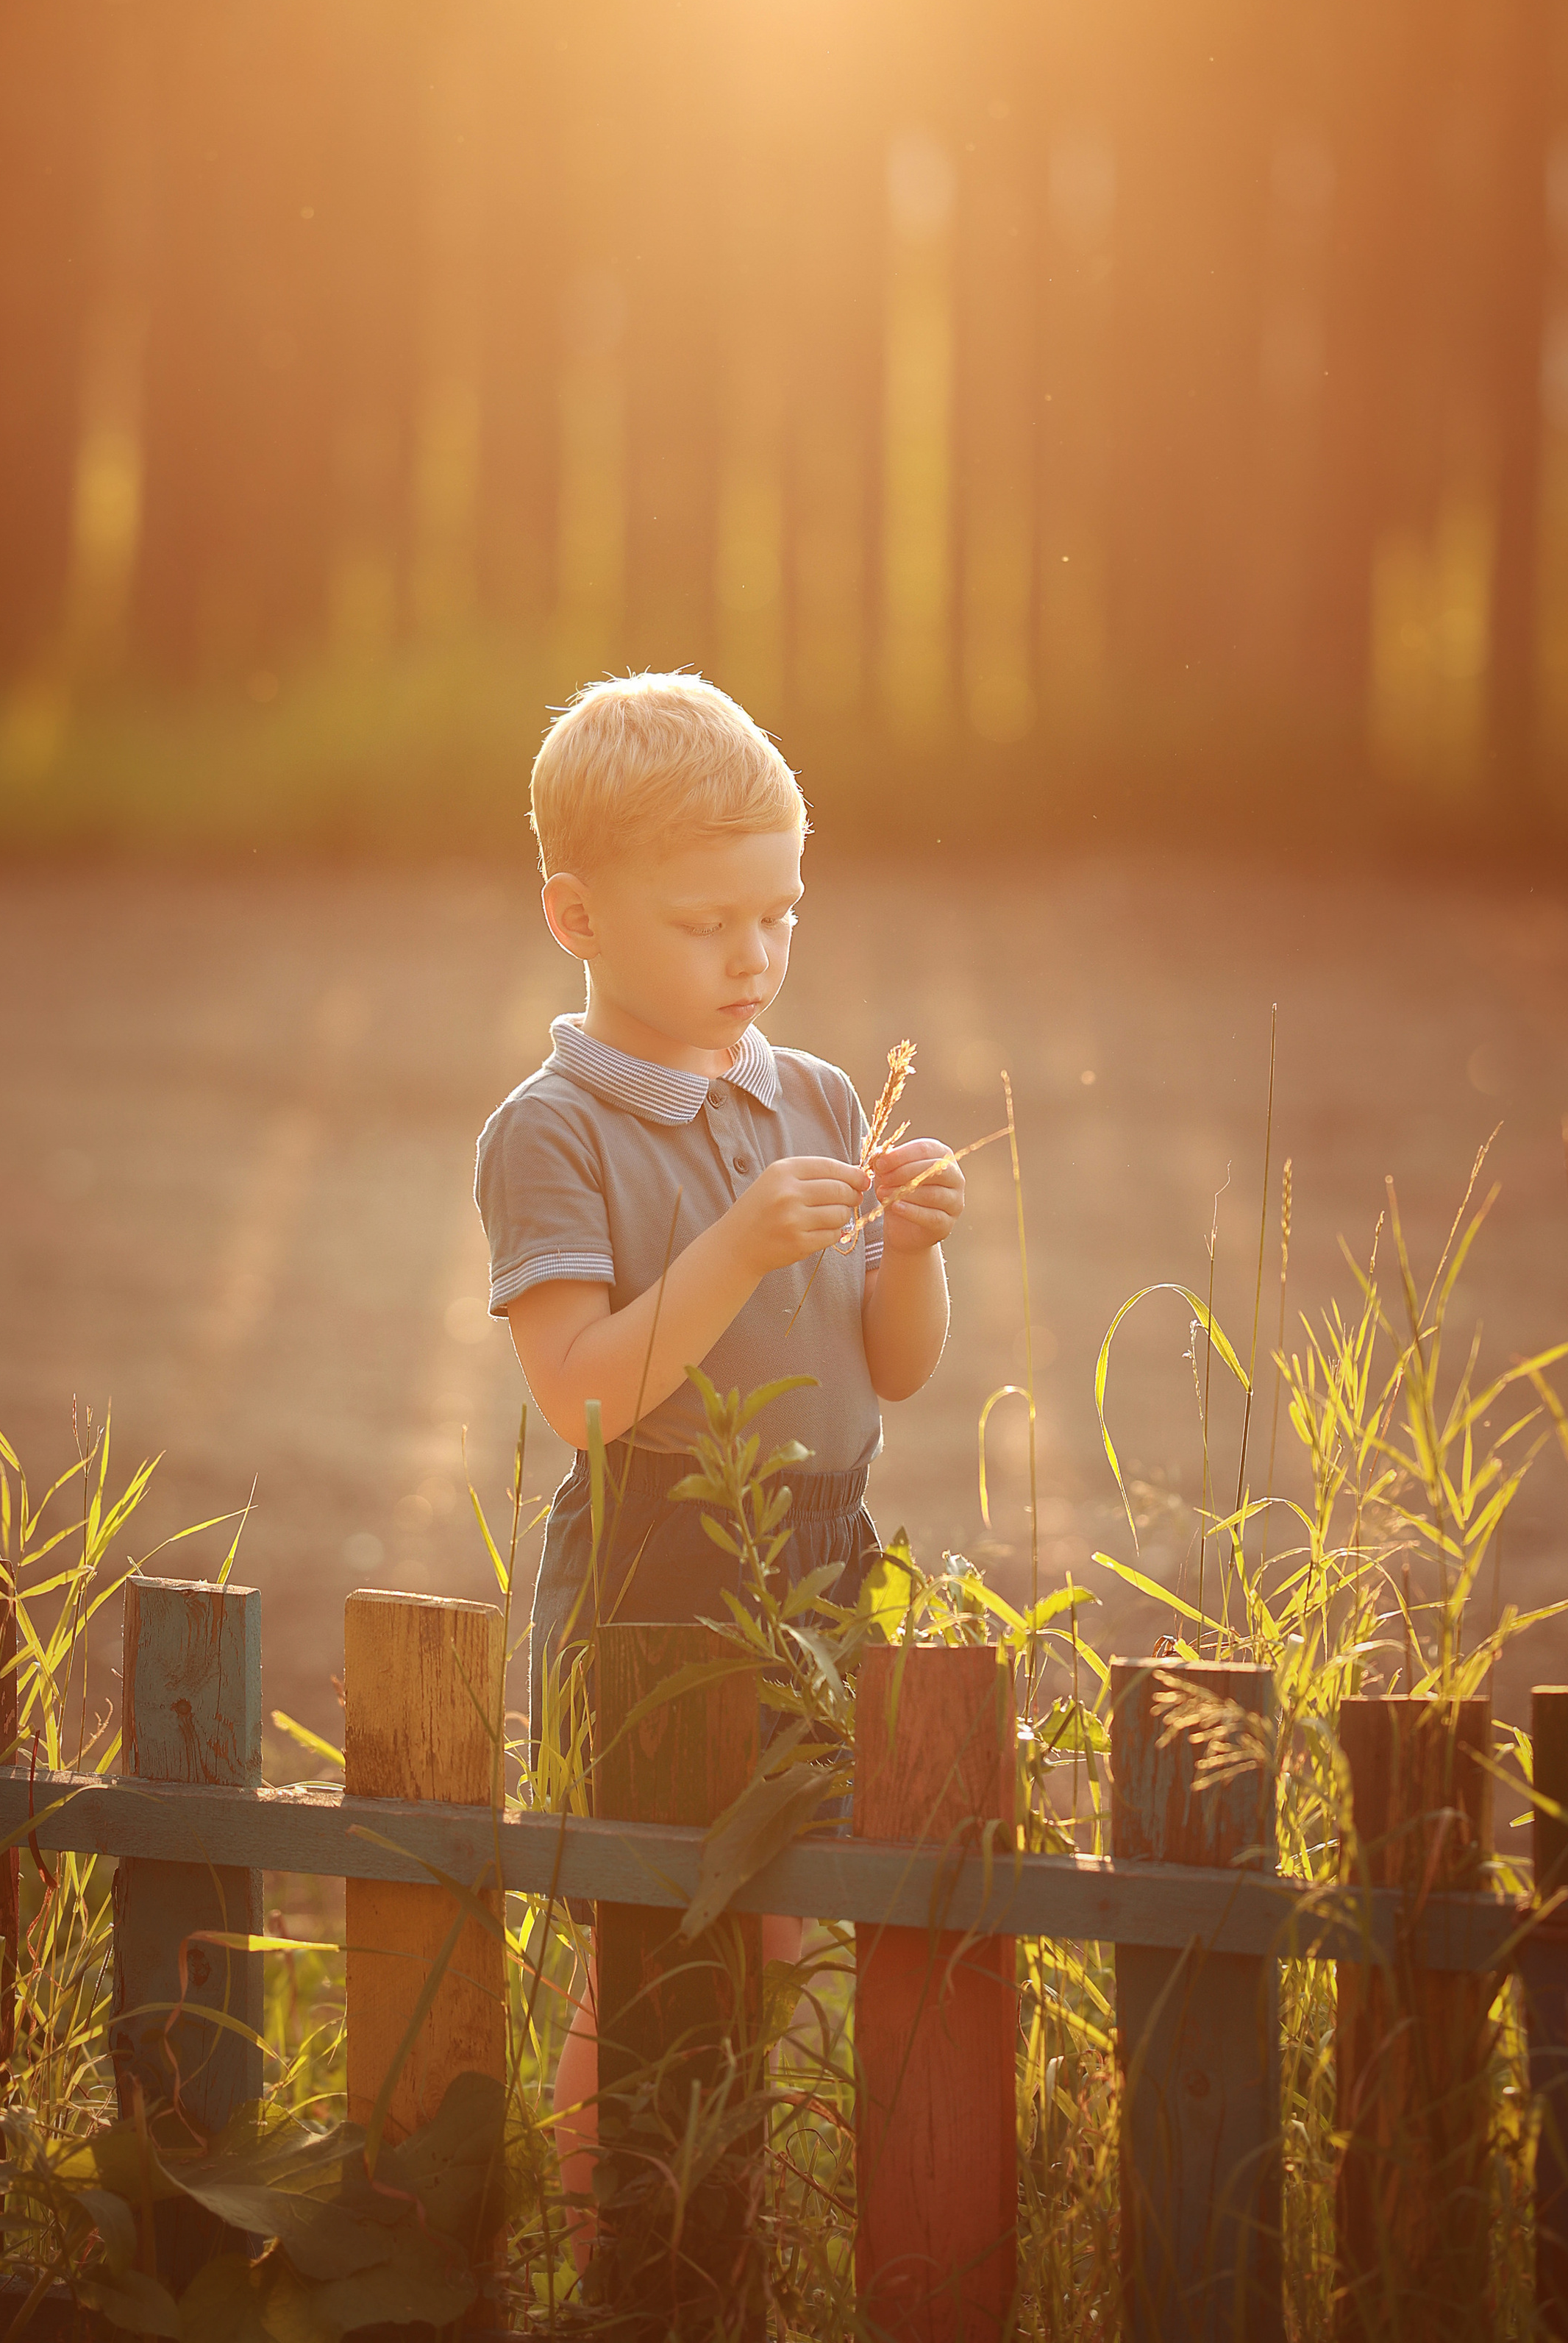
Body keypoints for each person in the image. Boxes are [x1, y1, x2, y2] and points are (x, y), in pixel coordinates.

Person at [474, 668, 966, 2264]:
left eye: (780, 915)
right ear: (577, 915)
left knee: (783, 1919)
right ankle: (612, 2247)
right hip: (659, 1562)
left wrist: (911, 1255)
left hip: (826, 1545)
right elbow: (585, 1400)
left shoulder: (813, 1097)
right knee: (652, 1941)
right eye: (706, 923)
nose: (750, 957)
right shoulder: (548, 1132)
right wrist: (740, 1245)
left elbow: (892, 1372)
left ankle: (724, 2229)